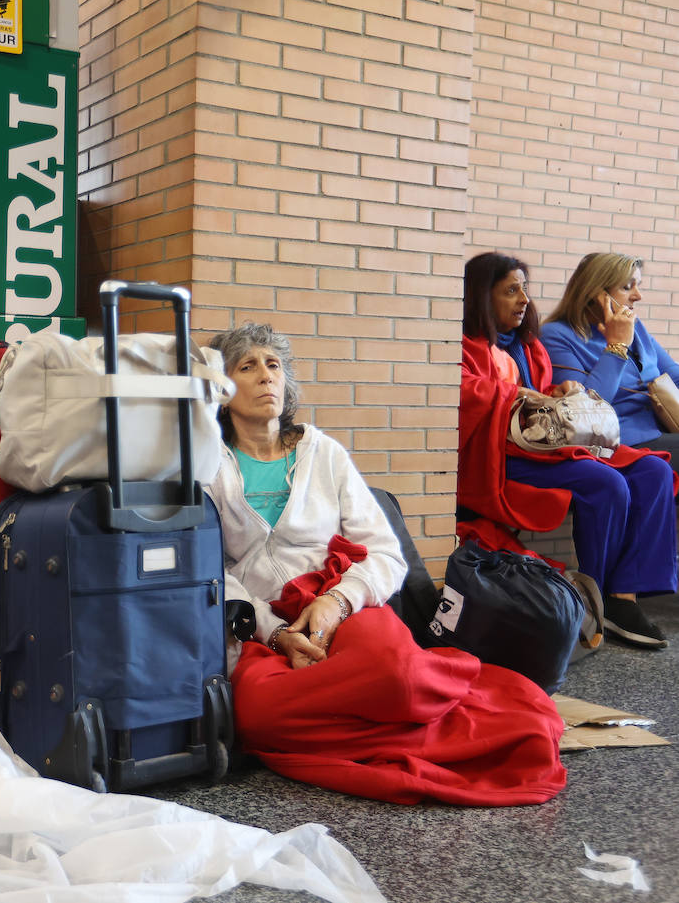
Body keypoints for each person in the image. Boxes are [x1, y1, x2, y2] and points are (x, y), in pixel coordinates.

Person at [208, 322, 567, 806]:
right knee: (253, 714)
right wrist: (276, 632)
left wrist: (336, 603)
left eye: (273, 365)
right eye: (247, 367)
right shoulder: (206, 465)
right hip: (262, 629)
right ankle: (432, 736)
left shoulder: (324, 453)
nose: (266, 376)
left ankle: (380, 723)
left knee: (399, 674)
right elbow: (208, 570)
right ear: (223, 391)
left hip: (343, 605)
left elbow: (385, 552)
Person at [459, 251, 676, 649]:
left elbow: (551, 402)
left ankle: (623, 595)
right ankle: (597, 599)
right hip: (508, 455)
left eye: (524, 289)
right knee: (606, 483)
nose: (525, 300)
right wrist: (613, 350)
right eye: (511, 291)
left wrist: (556, 392)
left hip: (552, 445)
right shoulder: (492, 345)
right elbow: (472, 394)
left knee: (655, 471)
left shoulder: (529, 348)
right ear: (480, 297)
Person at [541, 253, 679, 466]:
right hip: (619, 441)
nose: (638, 296)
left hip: (662, 427)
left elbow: (674, 375)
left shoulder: (634, 326)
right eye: (627, 287)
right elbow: (584, 410)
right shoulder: (556, 335)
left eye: (638, 285)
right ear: (595, 293)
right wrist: (617, 347)